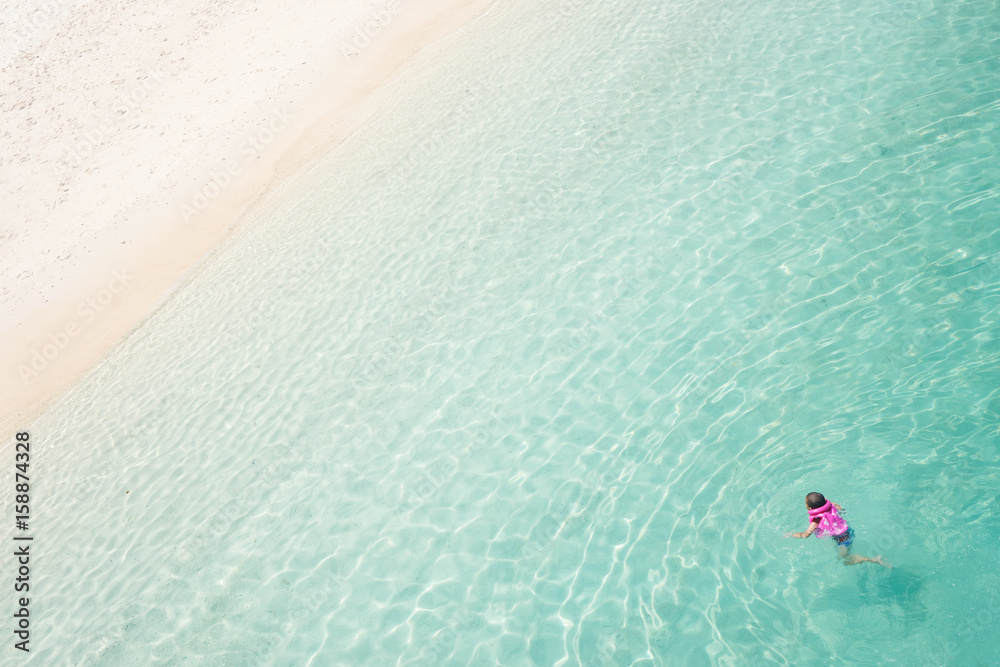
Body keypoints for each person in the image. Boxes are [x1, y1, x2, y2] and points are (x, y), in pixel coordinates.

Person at [786, 492, 890, 567]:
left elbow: (805, 535)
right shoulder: (830, 505)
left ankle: (873, 559)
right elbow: (837, 506)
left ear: (809, 509)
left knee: (844, 557)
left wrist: (791, 534)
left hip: (842, 540)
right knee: (842, 558)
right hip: (848, 530)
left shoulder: (816, 519)